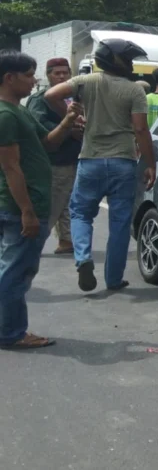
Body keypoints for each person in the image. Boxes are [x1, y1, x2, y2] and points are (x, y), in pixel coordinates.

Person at [43, 39, 156, 293]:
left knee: (81, 214)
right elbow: (140, 128)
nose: (130, 64)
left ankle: (83, 259)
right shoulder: (134, 90)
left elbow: (51, 95)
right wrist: (150, 163)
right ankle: (113, 279)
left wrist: (71, 116)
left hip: (90, 161)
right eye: (128, 60)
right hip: (123, 162)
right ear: (117, 60)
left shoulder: (86, 82)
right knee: (119, 222)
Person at [0, 51, 80, 348]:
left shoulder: (19, 111)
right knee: (16, 272)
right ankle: (11, 333)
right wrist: (27, 212)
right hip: (19, 207)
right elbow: (11, 167)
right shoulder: (6, 115)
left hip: (29, 204)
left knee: (14, 268)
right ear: (10, 78)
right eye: (29, 75)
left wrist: (69, 119)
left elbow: (48, 143)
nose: (35, 81)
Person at [24, 58, 83, 255]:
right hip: (53, 161)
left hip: (73, 158)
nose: (61, 76)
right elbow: (38, 130)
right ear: (48, 75)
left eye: (65, 72)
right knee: (52, 205)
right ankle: (34, 242)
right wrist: (68, 131)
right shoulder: (40, 100)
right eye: (57, 73)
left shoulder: (74, 97)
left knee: (68, 202)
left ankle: (66, 240)